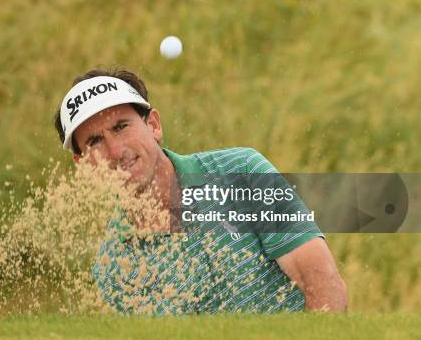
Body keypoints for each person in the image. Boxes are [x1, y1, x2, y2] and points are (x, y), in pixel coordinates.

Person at [53, 68, 348, 314]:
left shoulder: (241, 171)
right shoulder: (115, 267)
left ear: (153, 125)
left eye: (121, 127)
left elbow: (322, 285)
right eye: (94, 142)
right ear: (83, 163)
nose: (115, 151)